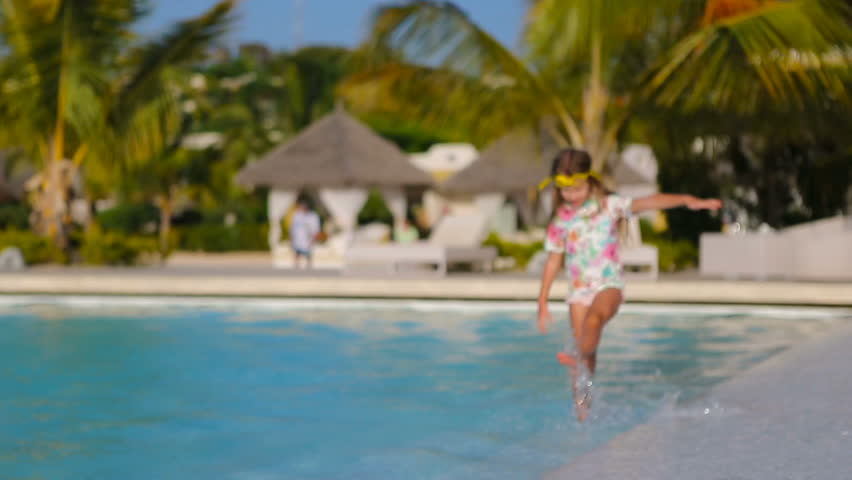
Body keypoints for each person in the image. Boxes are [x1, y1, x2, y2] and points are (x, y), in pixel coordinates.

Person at [536, 148, 721, 420]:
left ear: (589, 181)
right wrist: (542, 302)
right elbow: (553, 261)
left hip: (608, 285)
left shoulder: (609, 205)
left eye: (576, 188)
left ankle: (577, 358)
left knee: (592, 324)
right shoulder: (560, 220)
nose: (571, 195)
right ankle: (583, 413)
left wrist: (685, 200)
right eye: (565, 190)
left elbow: (649, 202)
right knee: (588, 357)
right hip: (578, 291)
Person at [289, 198, 320, 269]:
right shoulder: (297, 215)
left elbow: (316, 228)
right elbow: (292, 227)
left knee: (308, 253)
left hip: (308, 238)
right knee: (297, 252)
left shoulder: (313, 216)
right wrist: (291, 237)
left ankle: (309, 267)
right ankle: (296, 266)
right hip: (298, 238)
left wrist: (314, 238)